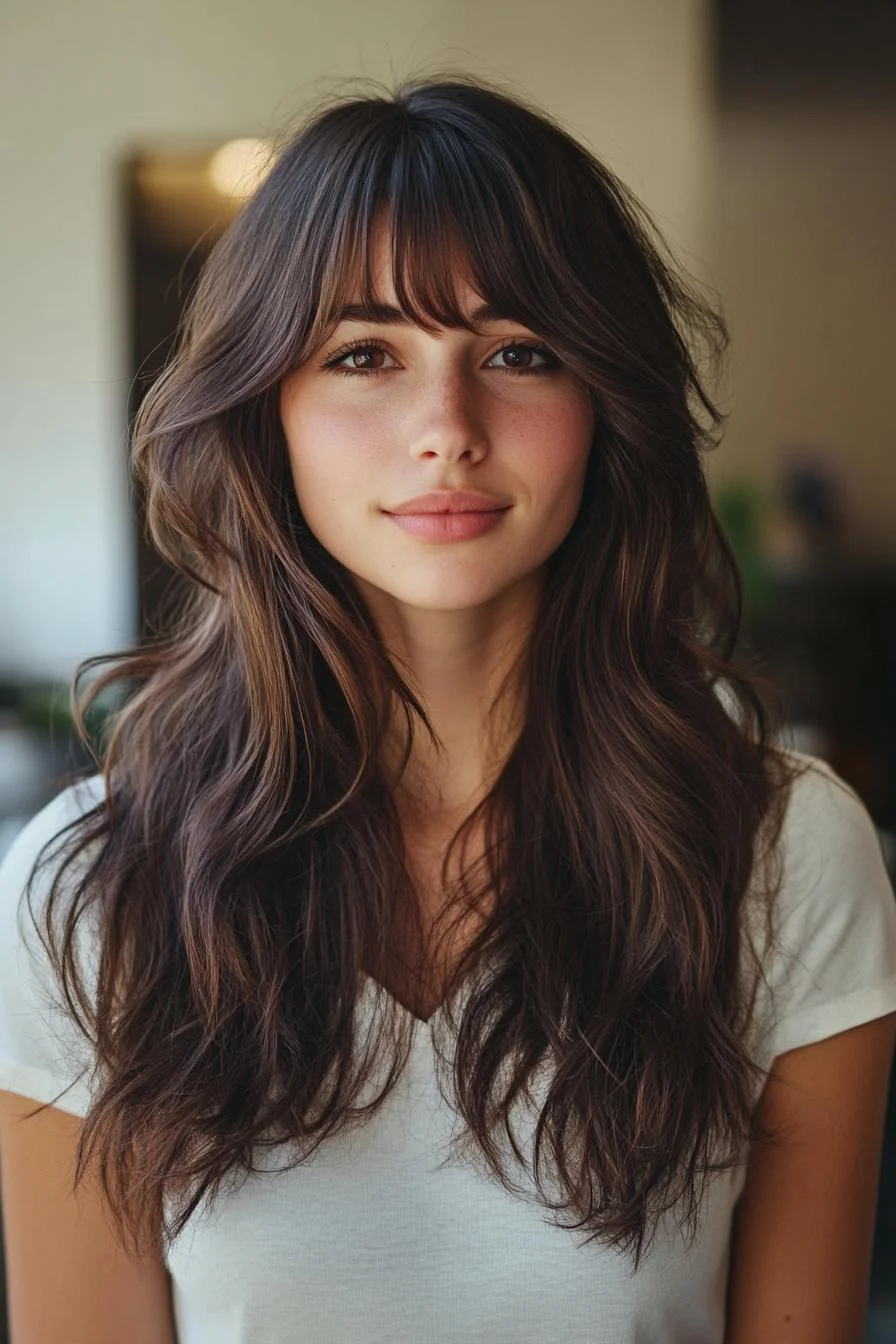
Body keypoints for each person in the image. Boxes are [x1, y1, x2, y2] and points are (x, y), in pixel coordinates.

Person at [1, 75, 895, 1344]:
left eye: (519, 354)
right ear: (269, 415)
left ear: (603, 405)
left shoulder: (783, 853)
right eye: (365, 356)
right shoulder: (87, 894)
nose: (447, 429)